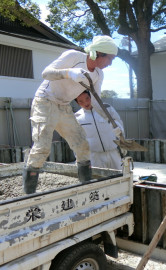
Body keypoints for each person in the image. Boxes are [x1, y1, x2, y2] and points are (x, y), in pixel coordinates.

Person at [23, 35, 119, 194]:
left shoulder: (98, 75)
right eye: (110, 59)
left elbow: (96, 101)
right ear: (99, 53)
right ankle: (28, 193)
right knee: (42, 147)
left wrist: (113, 124)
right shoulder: (73, 56)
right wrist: (69, 73)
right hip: (45, 100)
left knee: (82, 144)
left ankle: (85, 185)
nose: (110, 63)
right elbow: (46, 73)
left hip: (63, 106)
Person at [74, 90, 125, 170]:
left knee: (119, 178)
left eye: (87, 98)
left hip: (113, 152)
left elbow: (119, 125)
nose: (85, 103)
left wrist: (123, 143)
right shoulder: (77, 117)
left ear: (91, 97)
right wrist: (80, 159)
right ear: (77, 103)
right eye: (81, 101)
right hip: (94, 157)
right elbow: (77, 140)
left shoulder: (106, 109)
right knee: (100, 180)